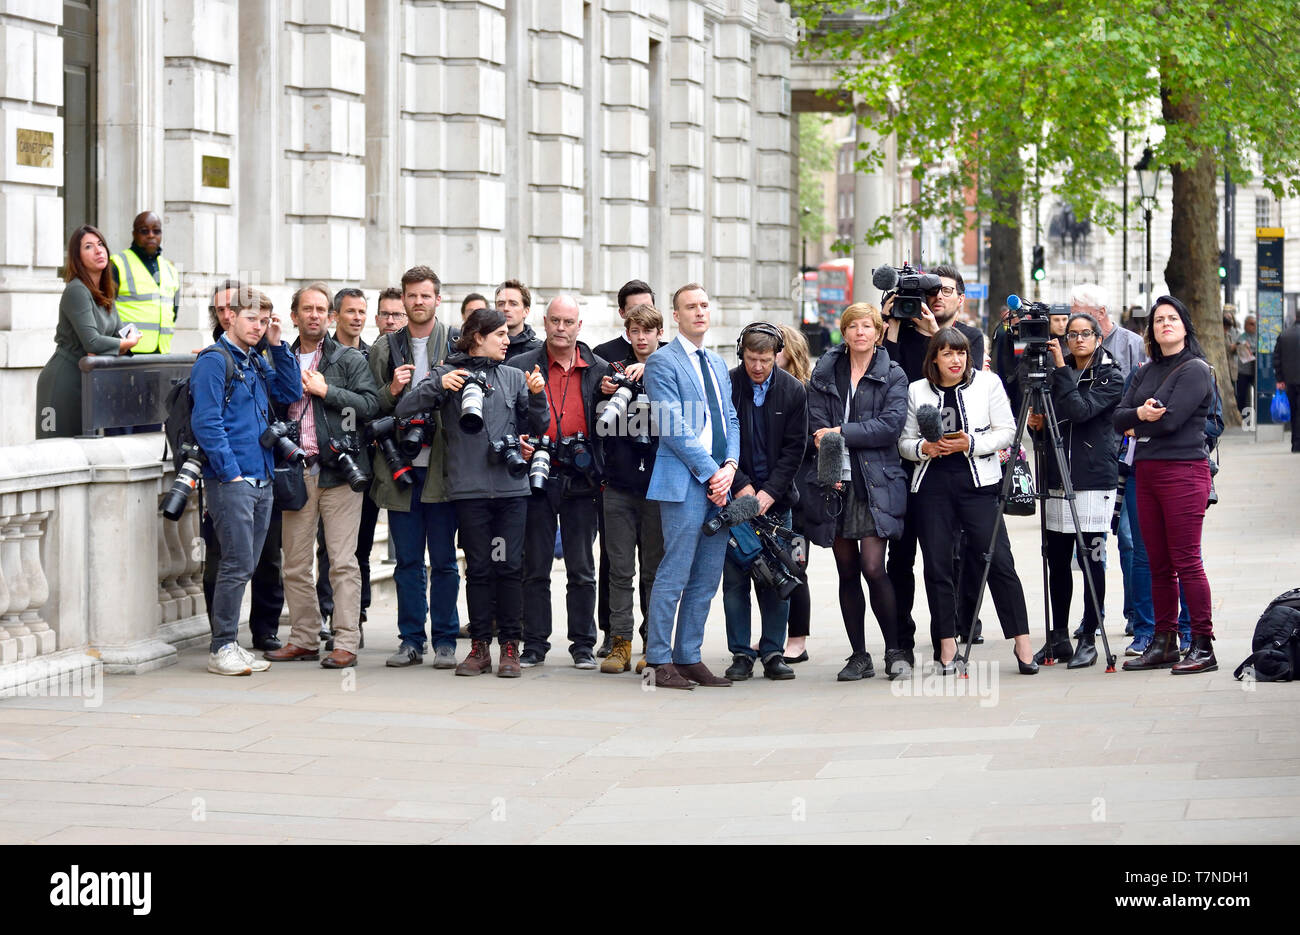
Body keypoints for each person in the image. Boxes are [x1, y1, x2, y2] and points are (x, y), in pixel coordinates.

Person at [396, 307, 549, 676]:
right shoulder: (448, 373)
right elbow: (403, 409)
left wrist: (538, 397)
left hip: (512, 490)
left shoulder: (514, 376)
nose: (507, 340)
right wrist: (436, 385)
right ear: (478, 337)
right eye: (499, 335)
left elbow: (540, 425)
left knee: (510, 568)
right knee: (479, 570)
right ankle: (479, 648)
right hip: (468, 490)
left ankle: (510, 648)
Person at [899, 328, 1037, 675]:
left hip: (979, 483)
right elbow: (904, 441)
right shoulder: (917, 390)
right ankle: (947, 645)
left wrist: (970, 443)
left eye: (960, 353)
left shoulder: (987, 384)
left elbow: (1007, 430)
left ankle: (1022, 641)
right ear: (934, 358)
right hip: (931, 487)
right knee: (937, 567)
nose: (956, 360)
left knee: (1000, 561)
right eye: (947, 354)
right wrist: (923, 449)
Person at [265, 283, 379, 669]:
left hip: (340, 474)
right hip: (296, 472)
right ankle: (304, 638)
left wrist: (327, 390)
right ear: (294, 315)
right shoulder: (279, 357)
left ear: (330, 318)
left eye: (321, 310)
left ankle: (345, 641)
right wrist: (277, 352)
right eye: (306, 309)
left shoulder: (347, 359)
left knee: (343, 562)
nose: (314, 315)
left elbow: (370, 404)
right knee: (295, 563)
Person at [191, 289, 301, 675]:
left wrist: (278, 344)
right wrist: (230, 471)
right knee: (235, 564)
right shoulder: (213, 361)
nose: (259, 326)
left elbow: (289, 393)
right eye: (253, 319)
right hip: (233, 479)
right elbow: (206, 422)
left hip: (264, 477)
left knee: (247, 564)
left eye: (265, 320)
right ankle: (222, 646)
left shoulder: (254, 359)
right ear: (231, 317)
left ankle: (231, 645)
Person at [883, 265, 987, 660]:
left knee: (952, 554)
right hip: (904, 461)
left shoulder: (969, 339)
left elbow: (967, 387)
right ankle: (901, 642)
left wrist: (934, 338)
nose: (937, 298)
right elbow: (886, 377)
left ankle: (955, 626)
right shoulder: (899, 334)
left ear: (958, 297)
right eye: (932, 292)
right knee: (902, 555)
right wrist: (892, 326)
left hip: (947, 463)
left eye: (945, 291)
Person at [642, 283, 740, 689]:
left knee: (707, 576)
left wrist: (731, 465)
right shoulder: (661, 363)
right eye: (690, 307)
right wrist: (712, 472)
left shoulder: (718, 363)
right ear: (676, 315)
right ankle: (660, 659)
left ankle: (689, 655)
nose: (699, 312)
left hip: (721, 484)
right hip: (686, 483)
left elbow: (730, 419)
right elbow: (671, 426)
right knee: (675, 571)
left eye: (704, 305)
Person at [1115, 296, 1218, 674]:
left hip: (1184, 472)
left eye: (1172, 318)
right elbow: (1117, 417)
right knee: (1157, 563)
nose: (1165, 325)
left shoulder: (1195, 369)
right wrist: (1140, 414)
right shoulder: (1144, 371)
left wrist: (1136, 422)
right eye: (1159, 320)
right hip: (1147, 472)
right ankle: (1164, 642)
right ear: (1152, 330)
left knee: (1186, 560)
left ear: (1185, 326)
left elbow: (1172, 421)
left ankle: (1203, 644)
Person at [808, 303, 909, 680]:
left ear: (878, 332)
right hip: (835, 481)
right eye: (853, 326)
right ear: (844, 331)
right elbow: (815, 423)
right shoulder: (825, 370)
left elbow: (889, 426)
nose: (860, 333)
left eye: (868, 326)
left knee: (873, 567)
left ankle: (895, 650)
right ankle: (858, 655)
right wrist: (829, 449)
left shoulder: (892, 373)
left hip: (874, 482)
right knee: (846, 570)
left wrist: (840, 433)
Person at [368, 266, 461, 669]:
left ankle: (444, 640)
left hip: (443, 468)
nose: (418, 302)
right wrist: (391, 390)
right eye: (412, 296)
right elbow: (369, 409)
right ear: (402, 301)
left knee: (442, 560)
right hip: (401, 469)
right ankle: (410, 640)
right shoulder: (385, 349)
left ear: (438, 299)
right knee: (406, 561)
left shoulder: (456, 342)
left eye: (426, 295)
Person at [512, 296, 610, 669]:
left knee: (582, 568)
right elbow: (509, 415)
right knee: (534, 565)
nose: (561, 328)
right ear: (545, 321)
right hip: (536, 473)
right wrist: (518, 441)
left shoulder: (597, 369)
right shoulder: (521, 366)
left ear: (579, 326)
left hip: (581, 478)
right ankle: (534, 644)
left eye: (568, 322)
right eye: (555, 320)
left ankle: (583, 645)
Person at [1027, 312, 1122, 668]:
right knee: (1057, 560)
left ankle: (1089, 636)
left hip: (1093, 478)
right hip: (1056, 475)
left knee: (1091, 558)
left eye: (1086, 334)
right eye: (1072, 334)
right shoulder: (1054, 372)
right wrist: (1037, 425)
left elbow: (1082, 411)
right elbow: (1048, 423)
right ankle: (1059, 636)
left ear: (1098, 338)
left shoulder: (1110, 375)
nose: (1079, 340)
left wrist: (1060, 369)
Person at [721, 323, 808, 681]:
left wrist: (769, 493)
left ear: (778, 355)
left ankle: (773, 651)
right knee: (735, 580)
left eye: (765, 360)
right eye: (751, 359)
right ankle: (741, 653)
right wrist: (741, 486)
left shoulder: (793, 391)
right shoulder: (727, 383)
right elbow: (720, 437)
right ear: (742, 353)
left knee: (777, 577)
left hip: (777, 501)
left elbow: (794, 449)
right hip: (735, 499)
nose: (757, 367)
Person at [595, 302, 666, 674]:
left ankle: (653, 643)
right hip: (619, 484)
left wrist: (652, 372)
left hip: (656, 486)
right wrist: (605, 390)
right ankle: (618, 641)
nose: (640, 339)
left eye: (647, 332)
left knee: (653, 569)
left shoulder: (669, 365)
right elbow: (599, 421)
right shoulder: (613, 367)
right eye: (634, 332)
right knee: (620, 569)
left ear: (659, 333)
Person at [36, 225, 139, 439]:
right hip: (62, 384)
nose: (99, 250)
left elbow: (114, 336)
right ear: (78, 257)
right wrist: (125, 345)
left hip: (89, 382)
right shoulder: (76, 290)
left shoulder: (105, 293)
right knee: (55, 451)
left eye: (100, 244)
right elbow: (92, 342)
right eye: (89, 247)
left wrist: (118, 343)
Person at [314, 287, 376, 644]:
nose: (357, 317)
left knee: (357, 548)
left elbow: (374, 406)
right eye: (350, 311)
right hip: (326, 464)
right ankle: (327, 613)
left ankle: (356, 617)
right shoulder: (318, 356)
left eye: (362, 312)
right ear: (335, 316)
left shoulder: (372, 354)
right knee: (329, 547)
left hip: (363, 463)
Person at [776, 324, 814, 663]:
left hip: (797, 495)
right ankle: (773, 634)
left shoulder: (803, 391)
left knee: (795, 566)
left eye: (777, 347)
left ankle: (797, 638)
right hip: (766, 494)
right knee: (769, 566)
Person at [109, 211, 180, 354]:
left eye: (156, 231)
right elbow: (106, 310)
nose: (151, 235)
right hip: (129, 352)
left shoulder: (170, 269)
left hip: (162, 352)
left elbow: (174, 310)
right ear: (134, 234)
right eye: (144, 231)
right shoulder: (117, 263)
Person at [593, 279, 656, 364]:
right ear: (622, 313)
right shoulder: (603, 354)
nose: (642, 313)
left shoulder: (669, 351)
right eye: (635, 309)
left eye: (648, 308)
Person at [497, 279, 544, 362]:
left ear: (526, 311)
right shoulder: (485, 347)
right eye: (501, 304)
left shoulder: (539, 350)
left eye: (513, 304)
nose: (506, 308)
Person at [1274, 314, 1300, 452]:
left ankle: (1295, 443)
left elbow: (1276, 358)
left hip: (1289, 380)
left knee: (1294, 411)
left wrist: (1280, 379)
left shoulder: (1284, 335)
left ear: (1295, 317)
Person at [1234, 314, 1257, 417]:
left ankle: (1257, 416)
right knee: (1242, 395)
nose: (1254, 326)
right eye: (1252, 324)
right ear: (1246, 325)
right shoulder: (1242, 336)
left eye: (1255, 324)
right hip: (1243, 371)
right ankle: (1243, 416)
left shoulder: (1259, 336)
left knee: (1258, 394)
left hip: (1256, 371)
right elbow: (1239, 346)